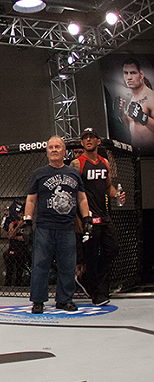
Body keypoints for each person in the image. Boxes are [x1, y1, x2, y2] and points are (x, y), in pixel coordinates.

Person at [24, 136, 91, 314]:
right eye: (51, 147)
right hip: (45, 226)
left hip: (67, 227)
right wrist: (28, 221)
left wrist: (86, 218)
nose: (54, 150)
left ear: (64, 151)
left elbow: (82, 197)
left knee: (68, 265)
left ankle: (64, 299)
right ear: (47, 152)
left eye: (57, 147)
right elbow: (31, 199)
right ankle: (38, 300)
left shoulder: (73, 173)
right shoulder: (39, 173)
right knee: (40, 265)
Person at [71, 127, 122, 306]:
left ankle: (95, 283)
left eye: (92, 137)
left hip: (104, 215)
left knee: (112, 249)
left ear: (98, 141)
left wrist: (116, 194)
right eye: (85, 138)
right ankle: (97, 292)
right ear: (82, 142)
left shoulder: (104, 162)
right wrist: (78, 218)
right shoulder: (77, 163)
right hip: (88, 217)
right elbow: (72, 191)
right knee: (91, 256)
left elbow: (108, 187)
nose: (89, 140)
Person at [117, 58, 154, 153]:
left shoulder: (150, 97)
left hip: (150, 153)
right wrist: (122, 115)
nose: (129, 77)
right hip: (137, 153)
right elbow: (132, 128)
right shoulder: (133, 99)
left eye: (133, 73)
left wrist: (143, 118)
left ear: (141, 74)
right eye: (126, 73)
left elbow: (142, 120)